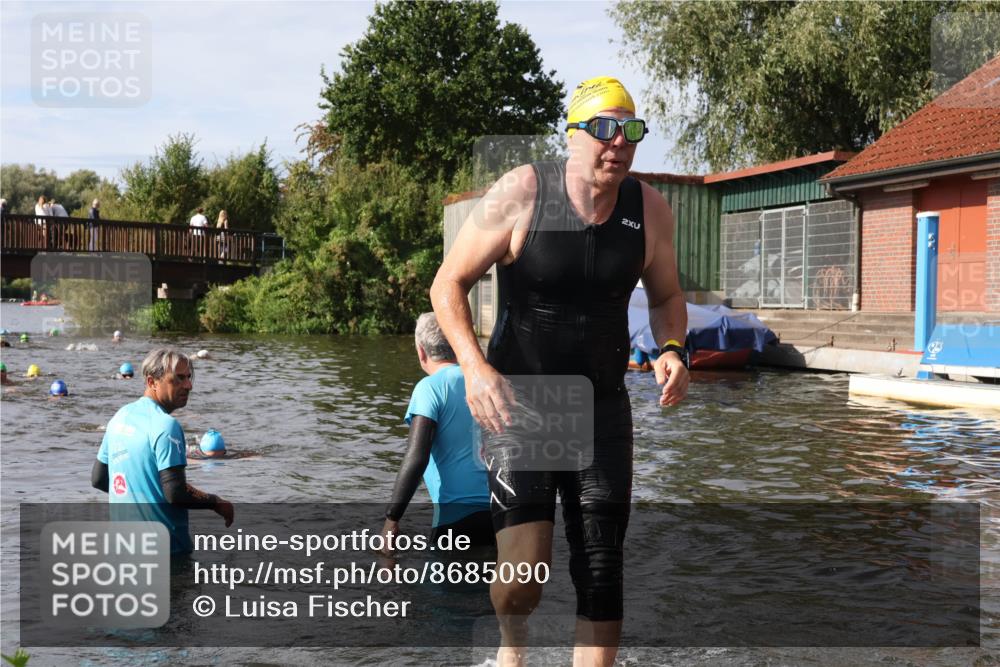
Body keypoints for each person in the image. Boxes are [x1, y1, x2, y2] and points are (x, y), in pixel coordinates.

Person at [430, 76, 690, 666]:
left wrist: (672, 347)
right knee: (525, 576)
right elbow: (448, 283)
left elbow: (668, 295)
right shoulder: (523, 190)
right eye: (603, 129)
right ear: (571, 135)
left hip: (600, 406)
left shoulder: (649, 209)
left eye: (631, 131)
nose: (617, 143)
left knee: (602, 564)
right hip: (520, 404)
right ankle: (511, 648)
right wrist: (473, 368)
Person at [91, 348, 234, 554]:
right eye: (178, 379)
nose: (188, 385)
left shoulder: (120, 417)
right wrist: (216, 503)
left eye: (188, 377)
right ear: (152, 382)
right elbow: (176, 494)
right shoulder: (165, 425)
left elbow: (99, 478)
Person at [381, 313, 493, 551]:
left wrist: (392, 519)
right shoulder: (489, 381)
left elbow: (416, 458)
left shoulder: (429, 388)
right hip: (503, 516)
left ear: (421, 351)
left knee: (444, 586)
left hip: (456, 520)